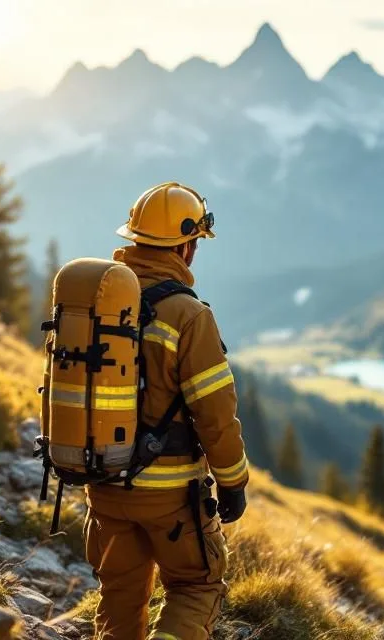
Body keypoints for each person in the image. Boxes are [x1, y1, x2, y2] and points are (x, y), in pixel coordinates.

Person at [83, 181, 250, 640]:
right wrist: (233, 482)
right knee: (197, 586)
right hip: (169, 493)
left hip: (101, 482)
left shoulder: (96, 305)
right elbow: (215, 415)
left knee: (118, 595)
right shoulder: (187, 315)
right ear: (187, 247)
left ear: (134, 240)